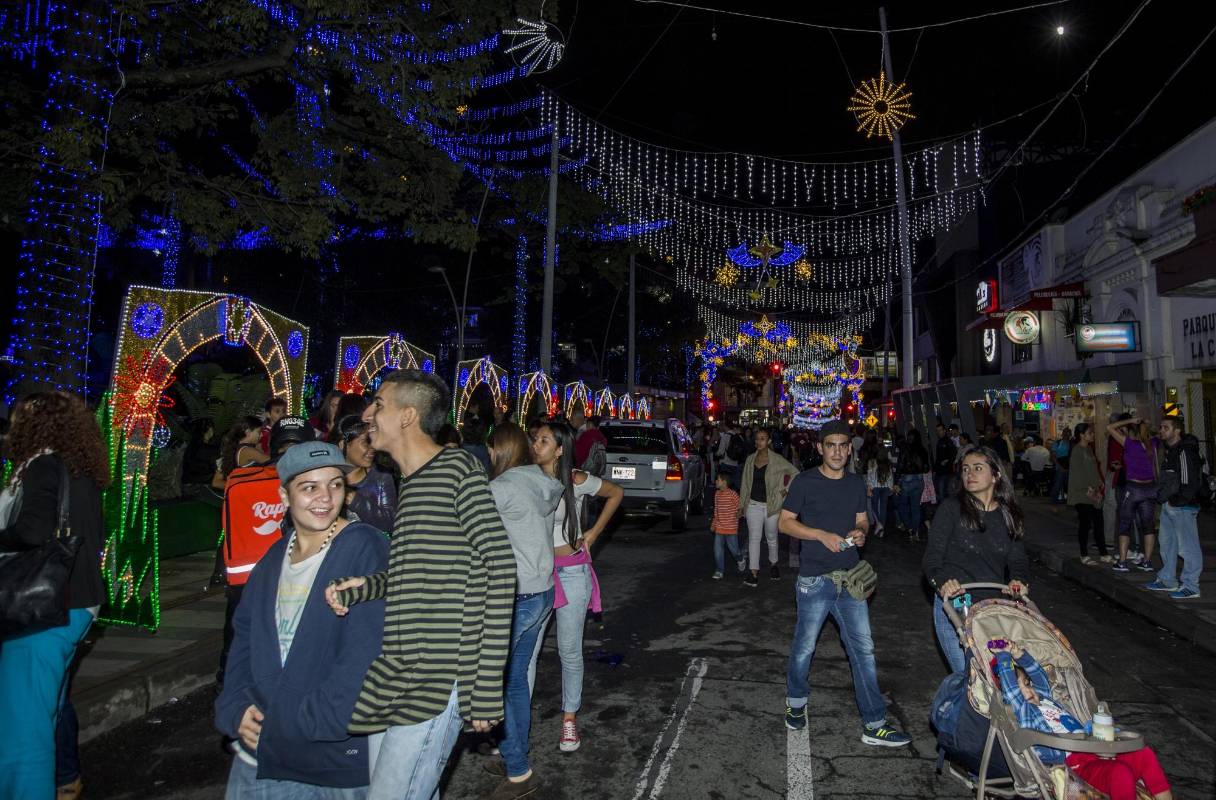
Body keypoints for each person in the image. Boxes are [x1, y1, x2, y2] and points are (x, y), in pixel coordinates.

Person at [325, 369, 517, 799]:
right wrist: (362, 587)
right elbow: (417, 573)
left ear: (407, 416)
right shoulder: (410, 483)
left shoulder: (457, 470)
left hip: (438, 673)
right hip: (397, 667)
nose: (368, 414)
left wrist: (486, 685)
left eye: (378, 404)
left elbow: (501, 567)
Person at [215, 442, 388, 799]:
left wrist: (301, 722)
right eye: (309, 487)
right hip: (260, 754)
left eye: (335, 484)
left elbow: (366, 654)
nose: (325, 497)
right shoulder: (274, 557)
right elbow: (243, 638)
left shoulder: (365, 548)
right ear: (284, 495)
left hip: (330, 761)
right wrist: (234, 706)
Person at [0, 391, 108, 799]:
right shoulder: (79, 468)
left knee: (22, 731)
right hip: (76, 604)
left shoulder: (43, 465)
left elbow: (32, 530)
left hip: (42, 607)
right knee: (45, 712)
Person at [777, 420, 911, 748]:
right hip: (815, 581)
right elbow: (785, 523)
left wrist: (860, 533)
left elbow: (862, 519)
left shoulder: (855, 483)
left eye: (842, 446)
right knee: (805, 647)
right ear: (820, 448)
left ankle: (874, 723)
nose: (837, 452)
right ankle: (796, 702)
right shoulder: (805, 482)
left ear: (850, 449)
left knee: (863, 651)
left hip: (851, 580)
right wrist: (820, 535)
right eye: (830, 445)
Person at [530, 421, 624, 754]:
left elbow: (615, 493)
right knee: (527, 652)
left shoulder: (575, 480)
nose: (535, 444)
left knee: (569, 651)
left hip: (571, 572)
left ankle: (569, 717)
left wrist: (594, 533)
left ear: (559, 450)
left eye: (544, 440)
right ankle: (516, 724)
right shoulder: (526, 479)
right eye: (535, 439)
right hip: (536, 574)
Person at [484, 424, 563, 799]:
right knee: (514, 679)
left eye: (490, 449)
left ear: (500, 450)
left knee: (492, 683)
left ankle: (518, 770)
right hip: (542, 590)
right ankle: (516, 754)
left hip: (516, 596)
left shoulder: (500, 488)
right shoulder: (543, 481)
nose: (487, 455)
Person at [990, 640, 1173, 800]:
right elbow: (1012, 692)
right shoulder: (1024, 709)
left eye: (1027, 684)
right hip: (1075, 763)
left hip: (1093, 746)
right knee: (1120, 773)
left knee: (1144, 754)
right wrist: (1003, 656)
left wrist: (1018, 653)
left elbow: (1039, 676)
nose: (1028, 691)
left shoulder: (1045, 699)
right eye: (1020, 688)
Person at [218, 416, 314, 688]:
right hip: (295, 581)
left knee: (237, 645)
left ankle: (229, 687)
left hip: (243, 583)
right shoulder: (312, 483)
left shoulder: (238, 480)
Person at [922, 446, 1030, 674]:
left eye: (978, 468)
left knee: (997, 676)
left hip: (993, 608)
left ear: (995, 475)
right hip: (956, 606)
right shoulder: (951, 509)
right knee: (968, 675)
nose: (969, 474)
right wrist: (943, 582)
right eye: (965, 469)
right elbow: (932, 559)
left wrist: (1018, 581)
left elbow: (1018, 560)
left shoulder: (1008, 515)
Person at [1144, 414, 1206, 600]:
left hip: (1182, 506)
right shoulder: (1171, 451)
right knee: (1168, 543)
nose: (1161, 431)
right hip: (1171, 504)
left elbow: (1189, 480)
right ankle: (1167, 579)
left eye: (1166, 428)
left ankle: (1191, 585)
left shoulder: (1184, 450)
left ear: (1177, 430)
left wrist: (1178, 500)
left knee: (1187, 547)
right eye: (1161, 427)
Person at [738, 428, 799, 586]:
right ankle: (753, 572)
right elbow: (745, 483)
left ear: (769, 441)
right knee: (754, 537)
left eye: (763, 438)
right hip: (753, 504)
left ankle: (773, 564)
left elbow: (795, 472)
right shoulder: (750, 459)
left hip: (772, 505)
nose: (759, 442)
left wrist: (785, 491)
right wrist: (741, 505)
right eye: (757, 439)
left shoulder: (777, 459)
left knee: (771, 536)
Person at [1107, 416, 1159, 573]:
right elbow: (1157, 431)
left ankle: (1122, 562)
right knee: (1148, 525)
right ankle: (1147, 561)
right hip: (1150, 488)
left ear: (1131, 432)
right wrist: (1146, 423)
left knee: (1125, 524)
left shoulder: (1130, 444)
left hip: (1133, 488)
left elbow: (1110, 428)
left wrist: (1129, 421)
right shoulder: (1153, 444)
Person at [330, 415, 396, 534]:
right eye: (366, 442)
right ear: (343, 445)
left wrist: (355, 500)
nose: (372, 447)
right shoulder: (327, 478)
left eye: (373, 441)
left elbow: (391, 523)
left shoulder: (381, 477)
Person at [1067, 423, 1112, 566]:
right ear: (1082, 435)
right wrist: (1089, 489)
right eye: (1090, 433)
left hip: (1094, 492)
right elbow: (1077, 473)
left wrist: (1099, 482)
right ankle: (1084, 554)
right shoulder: (1077, 450)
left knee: (1099, 523)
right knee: (1085, 524)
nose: (1092, 435)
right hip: (1082, 493)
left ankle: (1103, 553)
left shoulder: (1089, 449)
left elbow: (1093, 469)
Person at [213, 415, 270, 490]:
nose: (261, 435)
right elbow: (274, 462)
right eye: (259, 432)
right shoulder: (248, 451)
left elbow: (216, 482)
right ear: (248, 432)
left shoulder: (231, 449)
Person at [894, 429, 929, 540]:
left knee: (902, 506)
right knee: (915, 507)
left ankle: (910, 528)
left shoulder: (905, 449)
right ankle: (916, 531)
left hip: (907, 479)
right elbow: (926, 468)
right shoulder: (922, 449)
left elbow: (900, 466)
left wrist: (896, 482)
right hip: (919, 479)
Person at [710, 472, 745, 579]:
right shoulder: (717, 494)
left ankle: (740, 559)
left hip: (731, 528)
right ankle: (719, 570)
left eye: (718, 480)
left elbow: (740, 507)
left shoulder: (733, 494)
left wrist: (740, 513)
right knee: (717, 550)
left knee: (734, 551)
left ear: (724, 482)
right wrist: (714, 524)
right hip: (719, 527)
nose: (716, 481)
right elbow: (716, 511)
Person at [866, 452, 894, 537]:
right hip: (886, 488)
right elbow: (890, 476)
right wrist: (891, 487)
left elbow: (870, 476)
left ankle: (878, 524)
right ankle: (881, 530)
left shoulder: (872, 462)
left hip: (875, 487)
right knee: (883, 509)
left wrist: (869, 488)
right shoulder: (887, 463)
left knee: (874, 507)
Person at [933, 421, 957, 504]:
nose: (938, 432)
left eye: (940, 430)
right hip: (940, 471)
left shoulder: (948, 441)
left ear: (944, 431)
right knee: (939, 491)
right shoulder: (940, 442)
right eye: (937, 431)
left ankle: (944, 509)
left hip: (946, 471)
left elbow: (953, 454)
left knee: (942, 492)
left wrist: (947, 461)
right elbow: (938, 457)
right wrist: (935, 469)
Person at [715, 422, 742, 489]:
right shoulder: (738, 435)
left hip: (726, 462)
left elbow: (721, 451)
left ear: (725, 426)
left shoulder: (725, 436)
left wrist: (716, 454)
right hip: (735, 463)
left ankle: (726, 495)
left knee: (725, 485)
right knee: (734, 484)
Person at [1050, 428, 1072, 503]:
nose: (1067, 435)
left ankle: (1068, 499)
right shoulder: (1057, 443)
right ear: (1062, 434)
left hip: (1070, 467)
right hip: (1059, 466)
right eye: (1065, 433)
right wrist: (1059, 466)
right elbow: (1053, 456)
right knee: (1058, 484)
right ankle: (1054, 500)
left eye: (1068, 434)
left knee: (1068, 485)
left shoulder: (1072, 444)